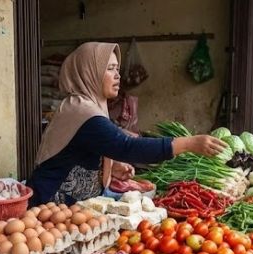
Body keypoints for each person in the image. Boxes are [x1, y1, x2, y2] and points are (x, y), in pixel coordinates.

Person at [27, 42, 226, 205]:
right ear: (91, 73)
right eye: (110, 69)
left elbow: (80, 152)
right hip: (49, 208)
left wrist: (109, 168)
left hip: (69, 210)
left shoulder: (86, 106)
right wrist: (188, 144)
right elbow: (126, 147)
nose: (118, 75)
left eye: (117, 69)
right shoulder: (83, 112)